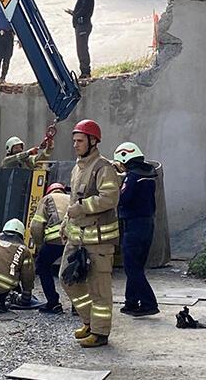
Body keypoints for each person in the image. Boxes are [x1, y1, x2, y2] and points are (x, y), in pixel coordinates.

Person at [59, 119, 121, 348]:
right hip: (78, 238)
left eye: (80, 141)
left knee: (99, 289)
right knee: (67, 278)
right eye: (74, 140)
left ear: (93, 142)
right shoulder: (78, 168)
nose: (75, 144)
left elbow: (109, 198)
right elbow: (74, 201)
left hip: (99, 242)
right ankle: (89, 322)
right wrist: (66, 222)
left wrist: (83, 208)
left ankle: (100, 333)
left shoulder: (103, 168)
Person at [114, 142, 159, 317]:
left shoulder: (132, 177)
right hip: (147, 224)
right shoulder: (148, 174)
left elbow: (123, 199)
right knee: (136, 266)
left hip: (133, 226)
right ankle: (131, 302)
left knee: (132, 267)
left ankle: (149, 303)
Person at [30, 182, 70, 314]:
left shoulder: (47, 199)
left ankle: (53, 303)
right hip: (73, 239)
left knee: (42, 265)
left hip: (55, 240)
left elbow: (36, 226)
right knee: (74, 269)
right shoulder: (71, 198)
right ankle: (78, 306)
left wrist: (40, 245)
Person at [64, 0, 94, 79]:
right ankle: (84, 71)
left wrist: (75, 14)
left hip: (83, 25)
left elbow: (85, 9)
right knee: (80, 49)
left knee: (82, 49)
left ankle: (85, 72)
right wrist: (73, 13)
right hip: (81, 25)